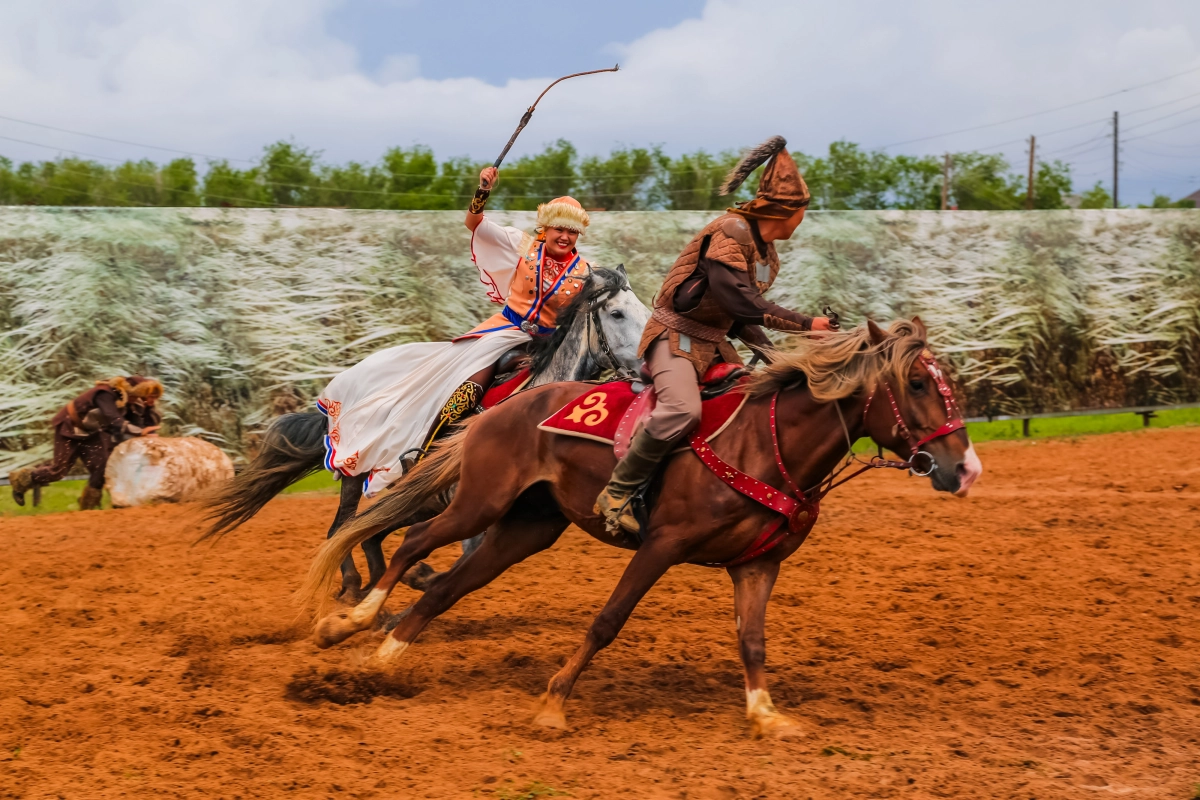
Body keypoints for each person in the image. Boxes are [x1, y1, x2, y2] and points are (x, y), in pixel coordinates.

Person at [595, 136, 835, 534]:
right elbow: (740, 303)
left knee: (753, 410)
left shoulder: (766, 252)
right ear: (787, 211)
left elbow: (737, 316)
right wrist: (807, 325)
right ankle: (617, 492)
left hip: (714, 342)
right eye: (803, 212)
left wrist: (774, 357)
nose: (803, 219)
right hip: (675, 338)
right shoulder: (732, 233)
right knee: (682, 411)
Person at [316, 167, 594, 497]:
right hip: (506, 331)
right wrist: (483, 191)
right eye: (560, 228)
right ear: (546, 227)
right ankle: (420, 451)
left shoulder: (585, 272)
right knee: (471, 386)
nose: (565, 236)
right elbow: (474, 224)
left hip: (546, 345)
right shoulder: (522, 245)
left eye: (572, 232)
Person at [8, 376, 164, 510]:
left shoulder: (135, 403)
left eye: (154, 398)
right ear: (137, 391)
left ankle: (87, 509)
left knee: (102, 469)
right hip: (70, 427)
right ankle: (20, 480)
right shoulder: (106, 393)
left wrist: (149, 415)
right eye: (149, 396)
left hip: (92, 433)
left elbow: (141, 425)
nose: (150, 400)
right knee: (59, 470)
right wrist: (140, 431)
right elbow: (115, 421)